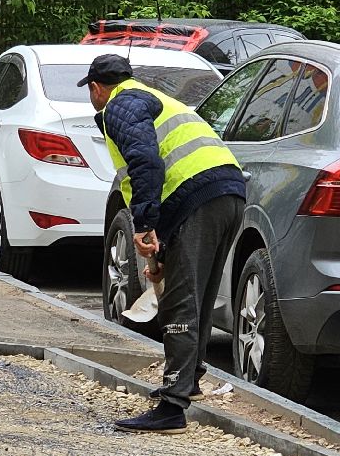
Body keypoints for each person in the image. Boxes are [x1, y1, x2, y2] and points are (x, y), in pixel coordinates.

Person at [82, 53, 247, 434]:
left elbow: (146, 163)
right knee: (199, 293)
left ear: (95, 87)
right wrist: (161, 246)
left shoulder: (120, 106)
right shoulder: (151, 98)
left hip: (198, 195)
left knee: (180, 298)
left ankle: (173, 405)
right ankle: (190, 379)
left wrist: (143, 224)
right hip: (226, 192)